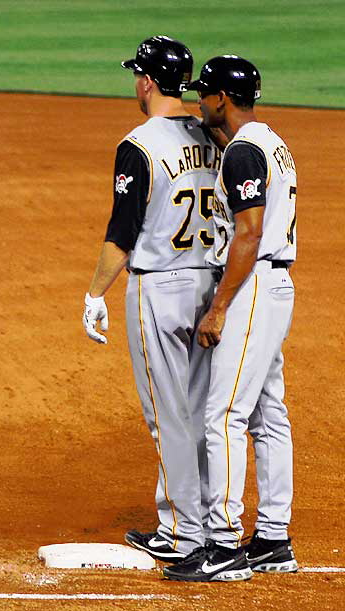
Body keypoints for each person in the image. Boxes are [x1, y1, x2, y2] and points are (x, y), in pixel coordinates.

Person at [82, 36, 223, 564]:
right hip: (211, 291)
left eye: (135, 75)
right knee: (202, 410)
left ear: (147, 81)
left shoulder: (138, 144)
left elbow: (123, 232)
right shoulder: (215, 137)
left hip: (160, 289)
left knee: (168, 415)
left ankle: (186, 530)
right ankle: (205, 517)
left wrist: (96, 292)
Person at [163, 56, 298, 582]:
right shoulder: (270, 142)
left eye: (205, 94)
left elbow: (248, 232)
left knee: (224, 416)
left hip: (251, 284)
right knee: (268, 413)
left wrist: (219, 306)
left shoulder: (242, 152)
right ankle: (272, 537)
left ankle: (223, 545)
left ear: (223, 98)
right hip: (273, 282)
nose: (199, 101)